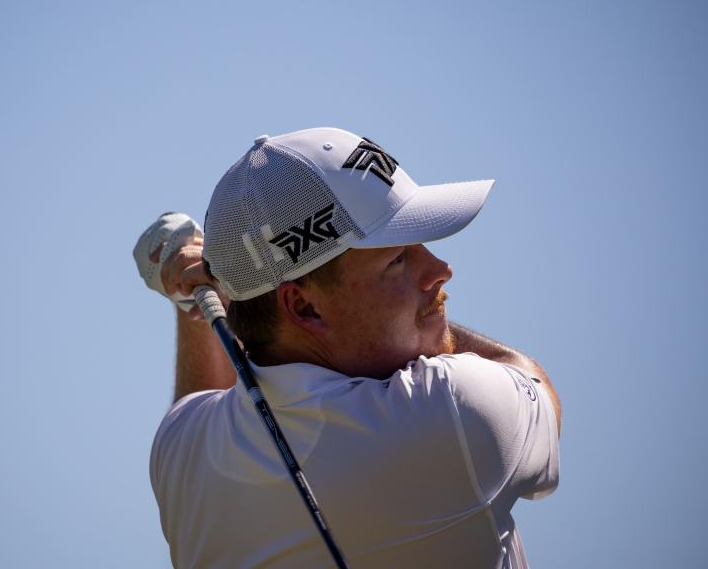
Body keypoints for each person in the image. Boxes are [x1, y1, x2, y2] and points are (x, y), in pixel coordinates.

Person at [133, 127, 561, 569]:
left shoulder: (179, 452)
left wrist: (218, 300)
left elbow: (199, 401)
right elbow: (530, 380)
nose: (440, 269)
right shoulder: (452, 410)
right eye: (396, 259)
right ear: (302, 305)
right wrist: (228, 294)